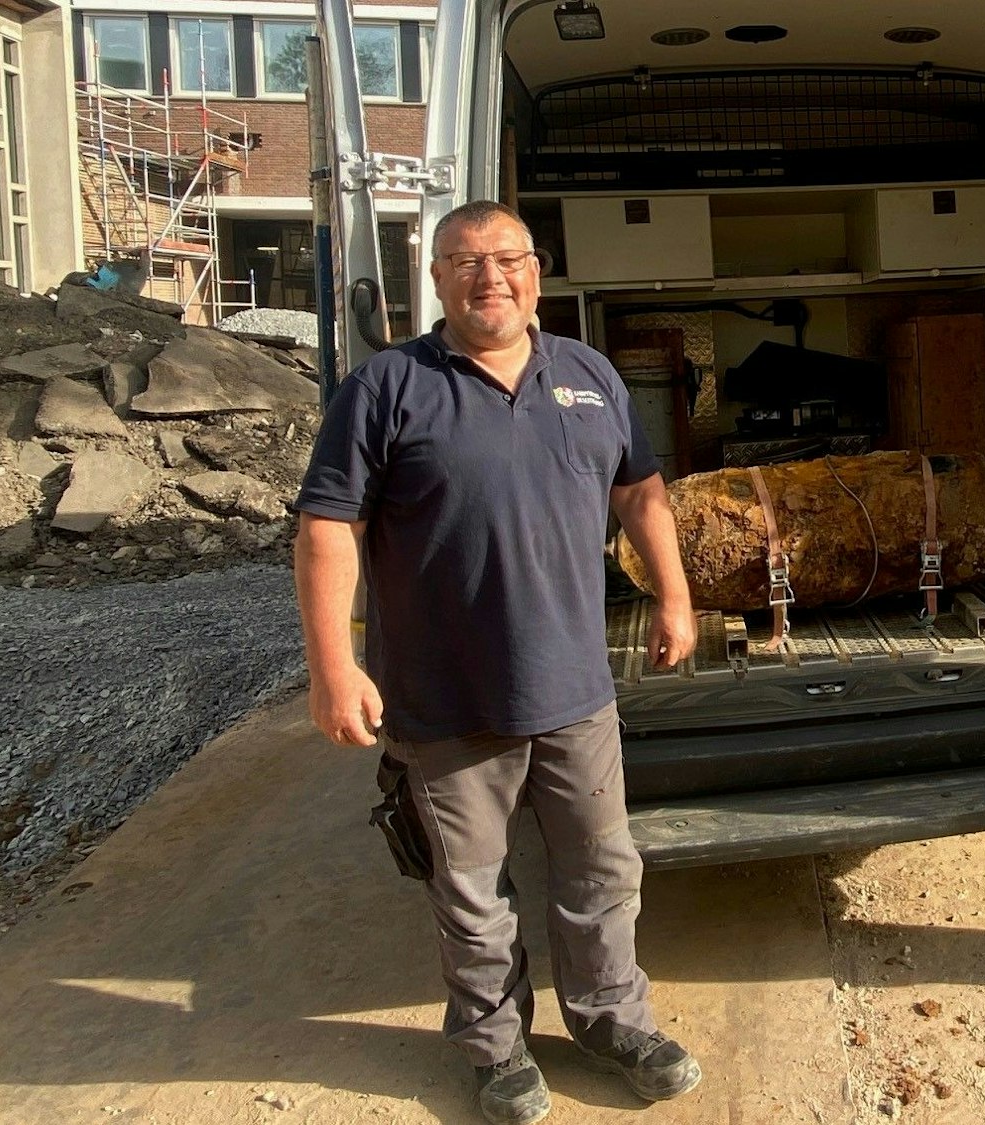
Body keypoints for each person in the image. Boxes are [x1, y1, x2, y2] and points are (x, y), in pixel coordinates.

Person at [293, 199, 701, 1123]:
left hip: (575, 691)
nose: (491, 277)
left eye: (508, 258)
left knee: (602, 870)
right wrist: (332, 667)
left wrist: (675, 597)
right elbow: (327, 529)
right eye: (467, 261)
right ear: (438, 277)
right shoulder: (385, 386)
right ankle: (497, 1048)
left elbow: (641, 492)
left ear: (536, 274)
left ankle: (612, 1021)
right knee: (473, 889)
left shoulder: (589, 374)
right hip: (444, 698)